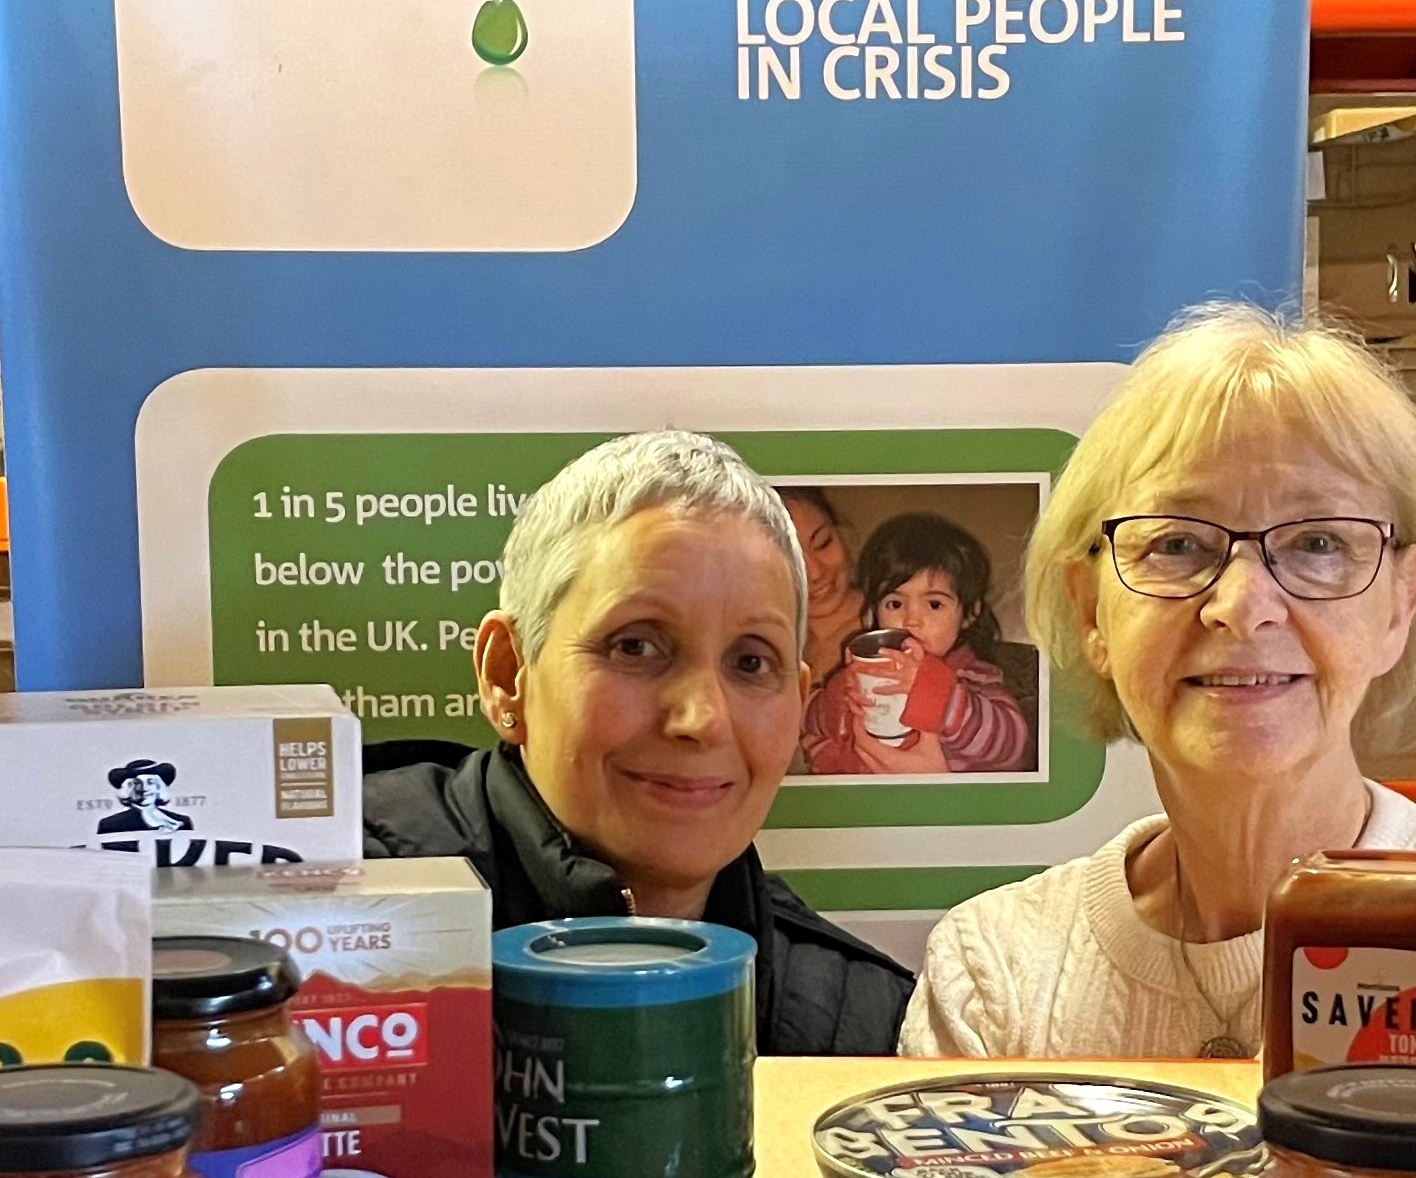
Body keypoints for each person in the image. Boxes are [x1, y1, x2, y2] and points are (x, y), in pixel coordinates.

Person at [904, 304, 1416, 1059]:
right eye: (1179, 544)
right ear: (1091, 609)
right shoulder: (996, 976)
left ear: (1399, 606)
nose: (1242, 607)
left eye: (1318, 542)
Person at [363, 430, 913, 1056]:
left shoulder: (862, 1022)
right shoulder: (314, 925)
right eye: (636, 647)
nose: (701, 718)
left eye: (753, 663)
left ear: (799, 704)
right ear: (507, 675)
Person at [801, 512, 1034, 776]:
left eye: (934, 604)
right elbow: (803, 713)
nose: (911, 620)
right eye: (895, 604)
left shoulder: (974, 676)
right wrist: (837, 701)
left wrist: (937, 696)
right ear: (874, 613)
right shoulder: (865, 672)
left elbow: (1012, 745)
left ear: (969, 614)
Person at [782, 486, 869, 689]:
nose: (814, 573)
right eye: (790, 560)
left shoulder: (900, 627)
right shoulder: (768, 649)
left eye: (823, 543)